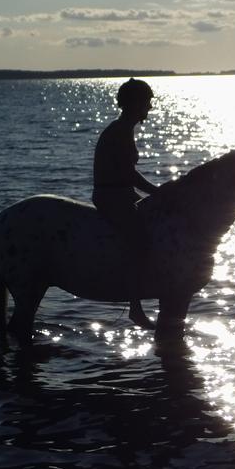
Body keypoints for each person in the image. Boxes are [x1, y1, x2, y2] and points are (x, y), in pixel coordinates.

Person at [92, 78, 159, 329]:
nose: (149, 108)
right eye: (147, 103)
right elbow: (127, 173)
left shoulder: (124, 129)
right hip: (113, 196)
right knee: (139, 241)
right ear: (135, 104)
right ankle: (135, 308)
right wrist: (156, 191)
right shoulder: (119, 131)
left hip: (122, 193)